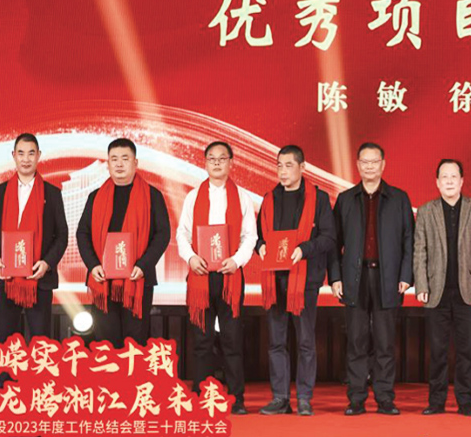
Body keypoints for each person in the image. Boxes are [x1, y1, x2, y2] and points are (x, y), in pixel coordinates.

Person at [328, 143, 414, 416]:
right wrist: (336, 277)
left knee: (385, 342)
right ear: (357, 165)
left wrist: (406, 276)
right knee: (356, 341)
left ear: (383, 164)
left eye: (374, 161)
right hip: (355, 277)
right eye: (364, 162)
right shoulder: (346, 199)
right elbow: (334, 243)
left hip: (388, 277)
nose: (369, 166)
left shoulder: (399, 199)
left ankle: (385, 398)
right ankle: (356, 398)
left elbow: (409, 241)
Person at [176, 141, 257, 415]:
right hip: (200, 277)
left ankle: (236, 398)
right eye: (211, 158)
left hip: (230, 277)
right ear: (205, 163)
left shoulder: (242, 197)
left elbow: (250, 236)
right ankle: (202, 396)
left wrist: (237, 260)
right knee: (202, 341)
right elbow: (182, 234)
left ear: (231, 162)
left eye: (222, 158)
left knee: (232, 340)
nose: (217, 163)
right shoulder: (193, 196)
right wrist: (191, 258)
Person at [0, 133, 68, 389]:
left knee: (40, 340)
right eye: (21, 153)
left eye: (31, 153)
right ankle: (6, 393)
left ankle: (39, 394)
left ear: (39, 156)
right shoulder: (0, 192)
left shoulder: (52, 193)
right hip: (7, 278)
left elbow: (62, 235)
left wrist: (47, 263)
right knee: (6, 338)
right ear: (13, 156)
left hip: (38, 279)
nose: (26, 158)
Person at [257, 145, 335, 417]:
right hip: (274, 279)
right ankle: (280, 398)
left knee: (305, 341)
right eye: (279, 165)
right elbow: (259, 235)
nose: (283, 171)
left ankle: (304, 397)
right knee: (276, 342)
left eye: (288, 165)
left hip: (304, 281)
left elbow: (329, 237)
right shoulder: (269, 199)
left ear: (302, 167)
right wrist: (260, 247)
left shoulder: (318, 199)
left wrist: (304, 249)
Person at [76, 138, 171, 347]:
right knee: (105, 342)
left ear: (135, 163)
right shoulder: (95, 197)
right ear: (108, 163)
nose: (119, 164)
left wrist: (143, 265)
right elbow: (82, 233)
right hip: (103, 281)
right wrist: (93, 265)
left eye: (125, 158)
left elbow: (163, 234)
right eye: (114, 159)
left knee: (134, 342)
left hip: (137, 279)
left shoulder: (152, 196)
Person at [413, 159, 471, 417]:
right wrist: (421, 284)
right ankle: (436, 401)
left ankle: (466, 402)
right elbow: (419, 250)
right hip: (436, 291)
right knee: (438, 351)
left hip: (468, 289)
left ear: (462, 181)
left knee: (466, 351)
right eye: (444, 177)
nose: (449, 181)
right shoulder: (426, 211)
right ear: (437, 182)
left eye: (453, 176)